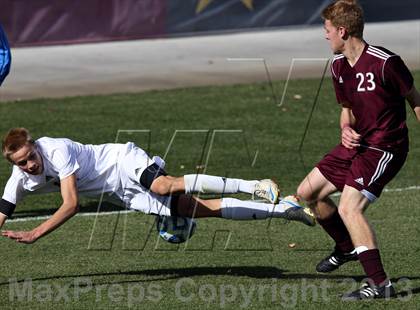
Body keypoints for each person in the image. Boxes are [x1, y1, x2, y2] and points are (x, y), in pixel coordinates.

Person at [297, 0, 420, 300]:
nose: (325, 36)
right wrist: (345, 129)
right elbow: (347, 109)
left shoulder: (386, 62)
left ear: (342, 30)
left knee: (349, 207)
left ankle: (380, 285)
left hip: (385, 147)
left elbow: (415, 99)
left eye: (327, 30)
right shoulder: (339, 66)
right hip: (357, 145)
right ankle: (346, 246)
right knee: (307, 193)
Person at [0, 128, 315, 244]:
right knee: (199, 210)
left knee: (164, 186)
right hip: (120, 191)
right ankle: (283, 210)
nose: (30, 166)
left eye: (30, 157)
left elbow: (71, 204)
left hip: (121, 161)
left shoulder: (55, 150)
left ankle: (253, 185)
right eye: (21, 163)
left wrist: (34, 233)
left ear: (35, 147)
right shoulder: (19, 180)